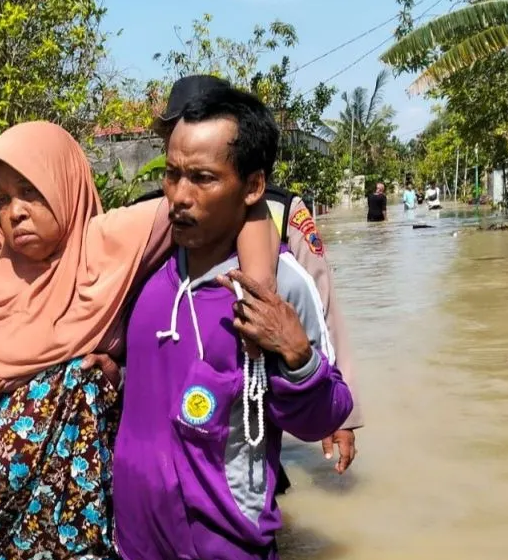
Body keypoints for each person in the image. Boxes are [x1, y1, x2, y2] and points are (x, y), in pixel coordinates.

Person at [0, 122, 280, 560]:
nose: (14, 212)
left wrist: (257, 293)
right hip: (0, 514)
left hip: (82, 525)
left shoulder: (111, 244)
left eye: (30, 192)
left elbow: (241, 208)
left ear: (64, 185)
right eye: (1, 198)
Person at [112, 85, 353, 560]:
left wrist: (296, 355)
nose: (179, 195)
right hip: (137, 550)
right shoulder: (147, 265)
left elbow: (329, 411)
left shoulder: (279, 287)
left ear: (253, 187)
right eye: (172, 174)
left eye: (202, 178)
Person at [139, 74, 362, 476]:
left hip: (248, 427)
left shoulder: (279, 209)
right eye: (173, 140)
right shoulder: (154, 220)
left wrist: (342, 417)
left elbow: (321, 305)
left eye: (203, 174)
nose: (181, 190)